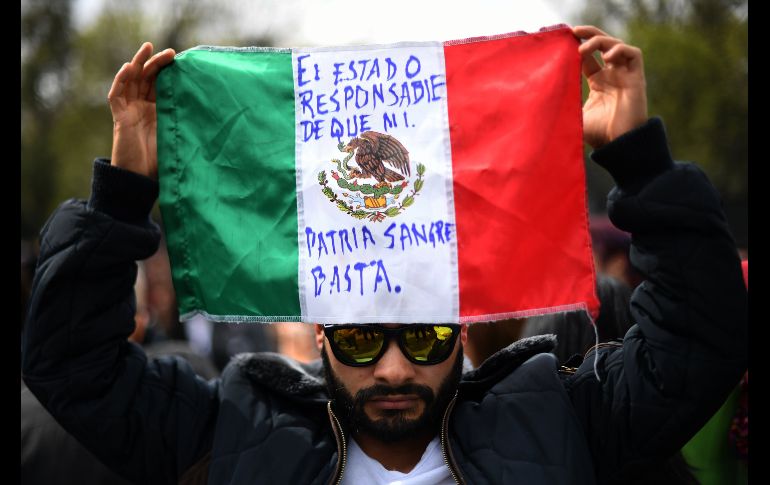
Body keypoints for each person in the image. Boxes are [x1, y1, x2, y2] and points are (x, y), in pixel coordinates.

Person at [20, 25, 747, 484]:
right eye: (364, 339)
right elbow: (71, 365)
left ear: (460, 331)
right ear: (322, 337)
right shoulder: (228, 431)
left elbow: (698, 339)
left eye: (425, 336)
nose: (394, 369)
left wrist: (639, 159)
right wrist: (120, 197)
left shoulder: (560, 419)